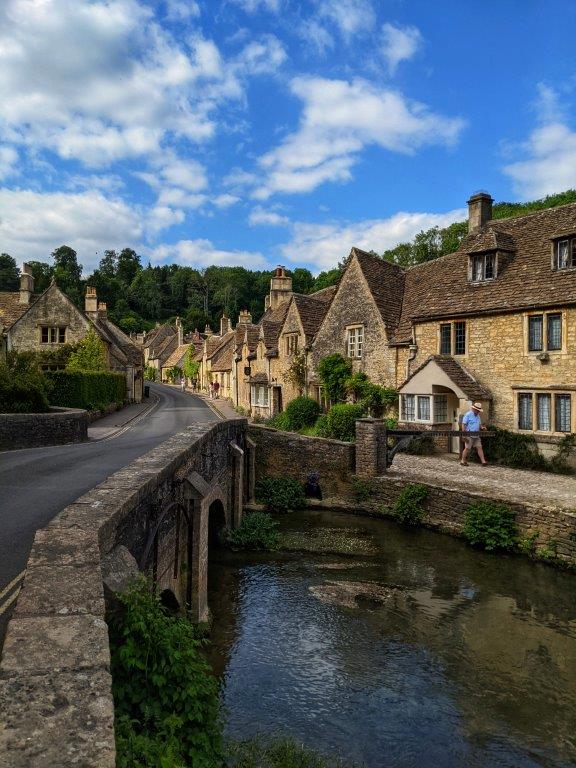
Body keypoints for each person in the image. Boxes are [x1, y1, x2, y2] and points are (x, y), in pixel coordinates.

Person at [460, 401, 487, 466]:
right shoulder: (468, 414)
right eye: (477, 410)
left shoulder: (478, 416)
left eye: (479, 410)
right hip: (469, 435)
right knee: (467, 448)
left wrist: (482, 427)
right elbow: (463, 424)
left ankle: (483, 462)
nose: (478, 411)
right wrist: (464, 435)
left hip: (476, 435)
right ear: (474, 409)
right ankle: (462, 461)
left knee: (479, 447)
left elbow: (479, 425)